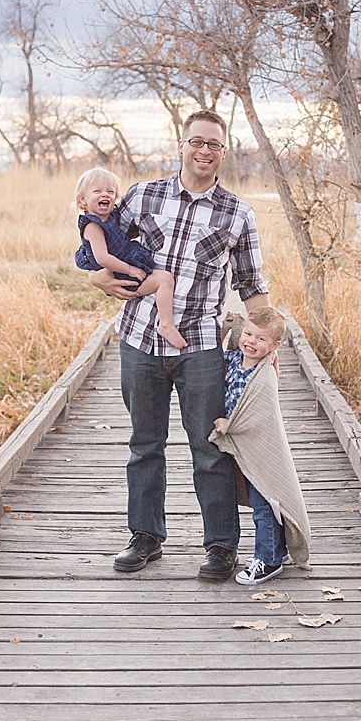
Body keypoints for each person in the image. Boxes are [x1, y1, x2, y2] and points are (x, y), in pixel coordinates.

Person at [104, 110, 273, 587]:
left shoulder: (237, 213)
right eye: (196, 142)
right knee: (144, 444)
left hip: (201, 344)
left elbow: (252, 286)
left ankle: (221, 546)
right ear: (181, 145)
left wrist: (268, 341)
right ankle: (145, 537)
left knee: (210, 447)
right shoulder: (143, 196)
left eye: (213, 145)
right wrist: (97, 276)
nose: (203, 151)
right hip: (139, 338)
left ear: (224, 151)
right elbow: (98, 243)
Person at [211, 302, 309, 586]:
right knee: (264, 499)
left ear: (274, 346)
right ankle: (276, 550)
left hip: (258, 446)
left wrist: (230, 425)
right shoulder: (234, 359)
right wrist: (226, 330)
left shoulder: (263, 374)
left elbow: (259, 412)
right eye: (249, 334)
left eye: (261, 338)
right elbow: (214, 359)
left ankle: (267, 560)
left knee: (264, 501)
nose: (252, 342)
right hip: (244, 446)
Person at [72, 174, 180, 348]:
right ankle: (166, 324)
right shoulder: (92, 226)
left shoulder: (110, 216)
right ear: (83, 200)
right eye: (97, 191)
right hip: (119, 273)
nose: (105, 195)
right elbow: (103, 258)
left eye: (110, 191)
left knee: (163, 279)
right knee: (164, 280)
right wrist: (130, 269)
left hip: (124, 262)